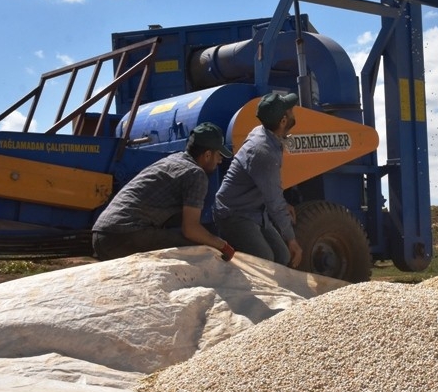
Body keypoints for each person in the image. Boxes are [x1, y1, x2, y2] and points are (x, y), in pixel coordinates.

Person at [92, 122, 235, 261]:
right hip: (123, 235)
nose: (220, 160)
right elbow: (190, 229)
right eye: (218, 155)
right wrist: (222, 245)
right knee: (204, 252)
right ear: (208, 155)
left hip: (103, 233)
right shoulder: (195, 174)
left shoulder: (173, 160)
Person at [213, 91, 303, 268]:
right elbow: (274, 201)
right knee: (265, 261)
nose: (294, 113)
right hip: (234, 213)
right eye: (290, 111)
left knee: (282, 257)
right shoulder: (264, 152)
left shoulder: (263, 132)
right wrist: (292, 240)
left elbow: (270, 189)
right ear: (283, 121)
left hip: (255, 211)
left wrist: (283, 205)